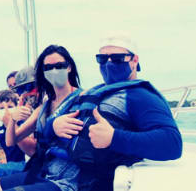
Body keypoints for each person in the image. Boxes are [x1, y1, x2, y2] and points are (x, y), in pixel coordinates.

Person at [49, 34, 182, 191]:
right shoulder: (91, 93)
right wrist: (54, 125)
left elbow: (172, 143)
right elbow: (44, 131)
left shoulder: (141, 96)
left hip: (79, 184)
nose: (109, 63)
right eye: (102, 59)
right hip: (49, 172)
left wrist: (114, 137)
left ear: (134, 60)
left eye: (117, 58)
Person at [0, 45, 83, 191]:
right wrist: (13, 119)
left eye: (59, 66)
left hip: (65, 178)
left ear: (69, 67)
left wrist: (52, 126)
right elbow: (11, 141)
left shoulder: (81, 100)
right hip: (43, 171)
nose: (54, 71)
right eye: (48, 68)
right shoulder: (44, 107)